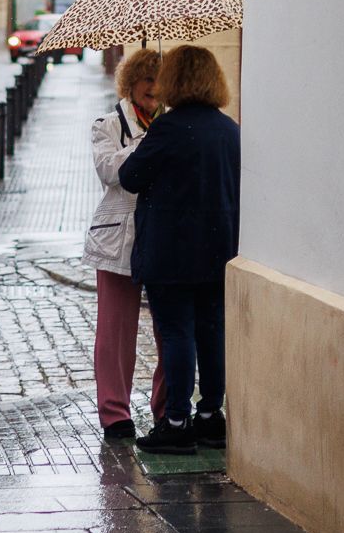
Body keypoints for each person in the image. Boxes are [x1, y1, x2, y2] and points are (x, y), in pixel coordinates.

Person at [119, 45, 241, 455]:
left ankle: (176, 422)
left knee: (176, 334)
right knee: (211, 332)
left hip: (171, 251)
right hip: (219, 247)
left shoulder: (169, 128)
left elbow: (130, 177)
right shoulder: (229, 129)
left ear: (175, 81)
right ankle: (210, 416)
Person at [83, 48, 166, 441]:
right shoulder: (108, 124)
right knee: (115, 330)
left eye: (159, 83)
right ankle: (115, 412)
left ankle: (166, 408)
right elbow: (109, 170)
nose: (153, 91)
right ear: (130, 84)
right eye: (147, 82)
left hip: (165, 235)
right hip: (119, 235)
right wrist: (149, 145)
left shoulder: (171, 123)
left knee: (170, 328)